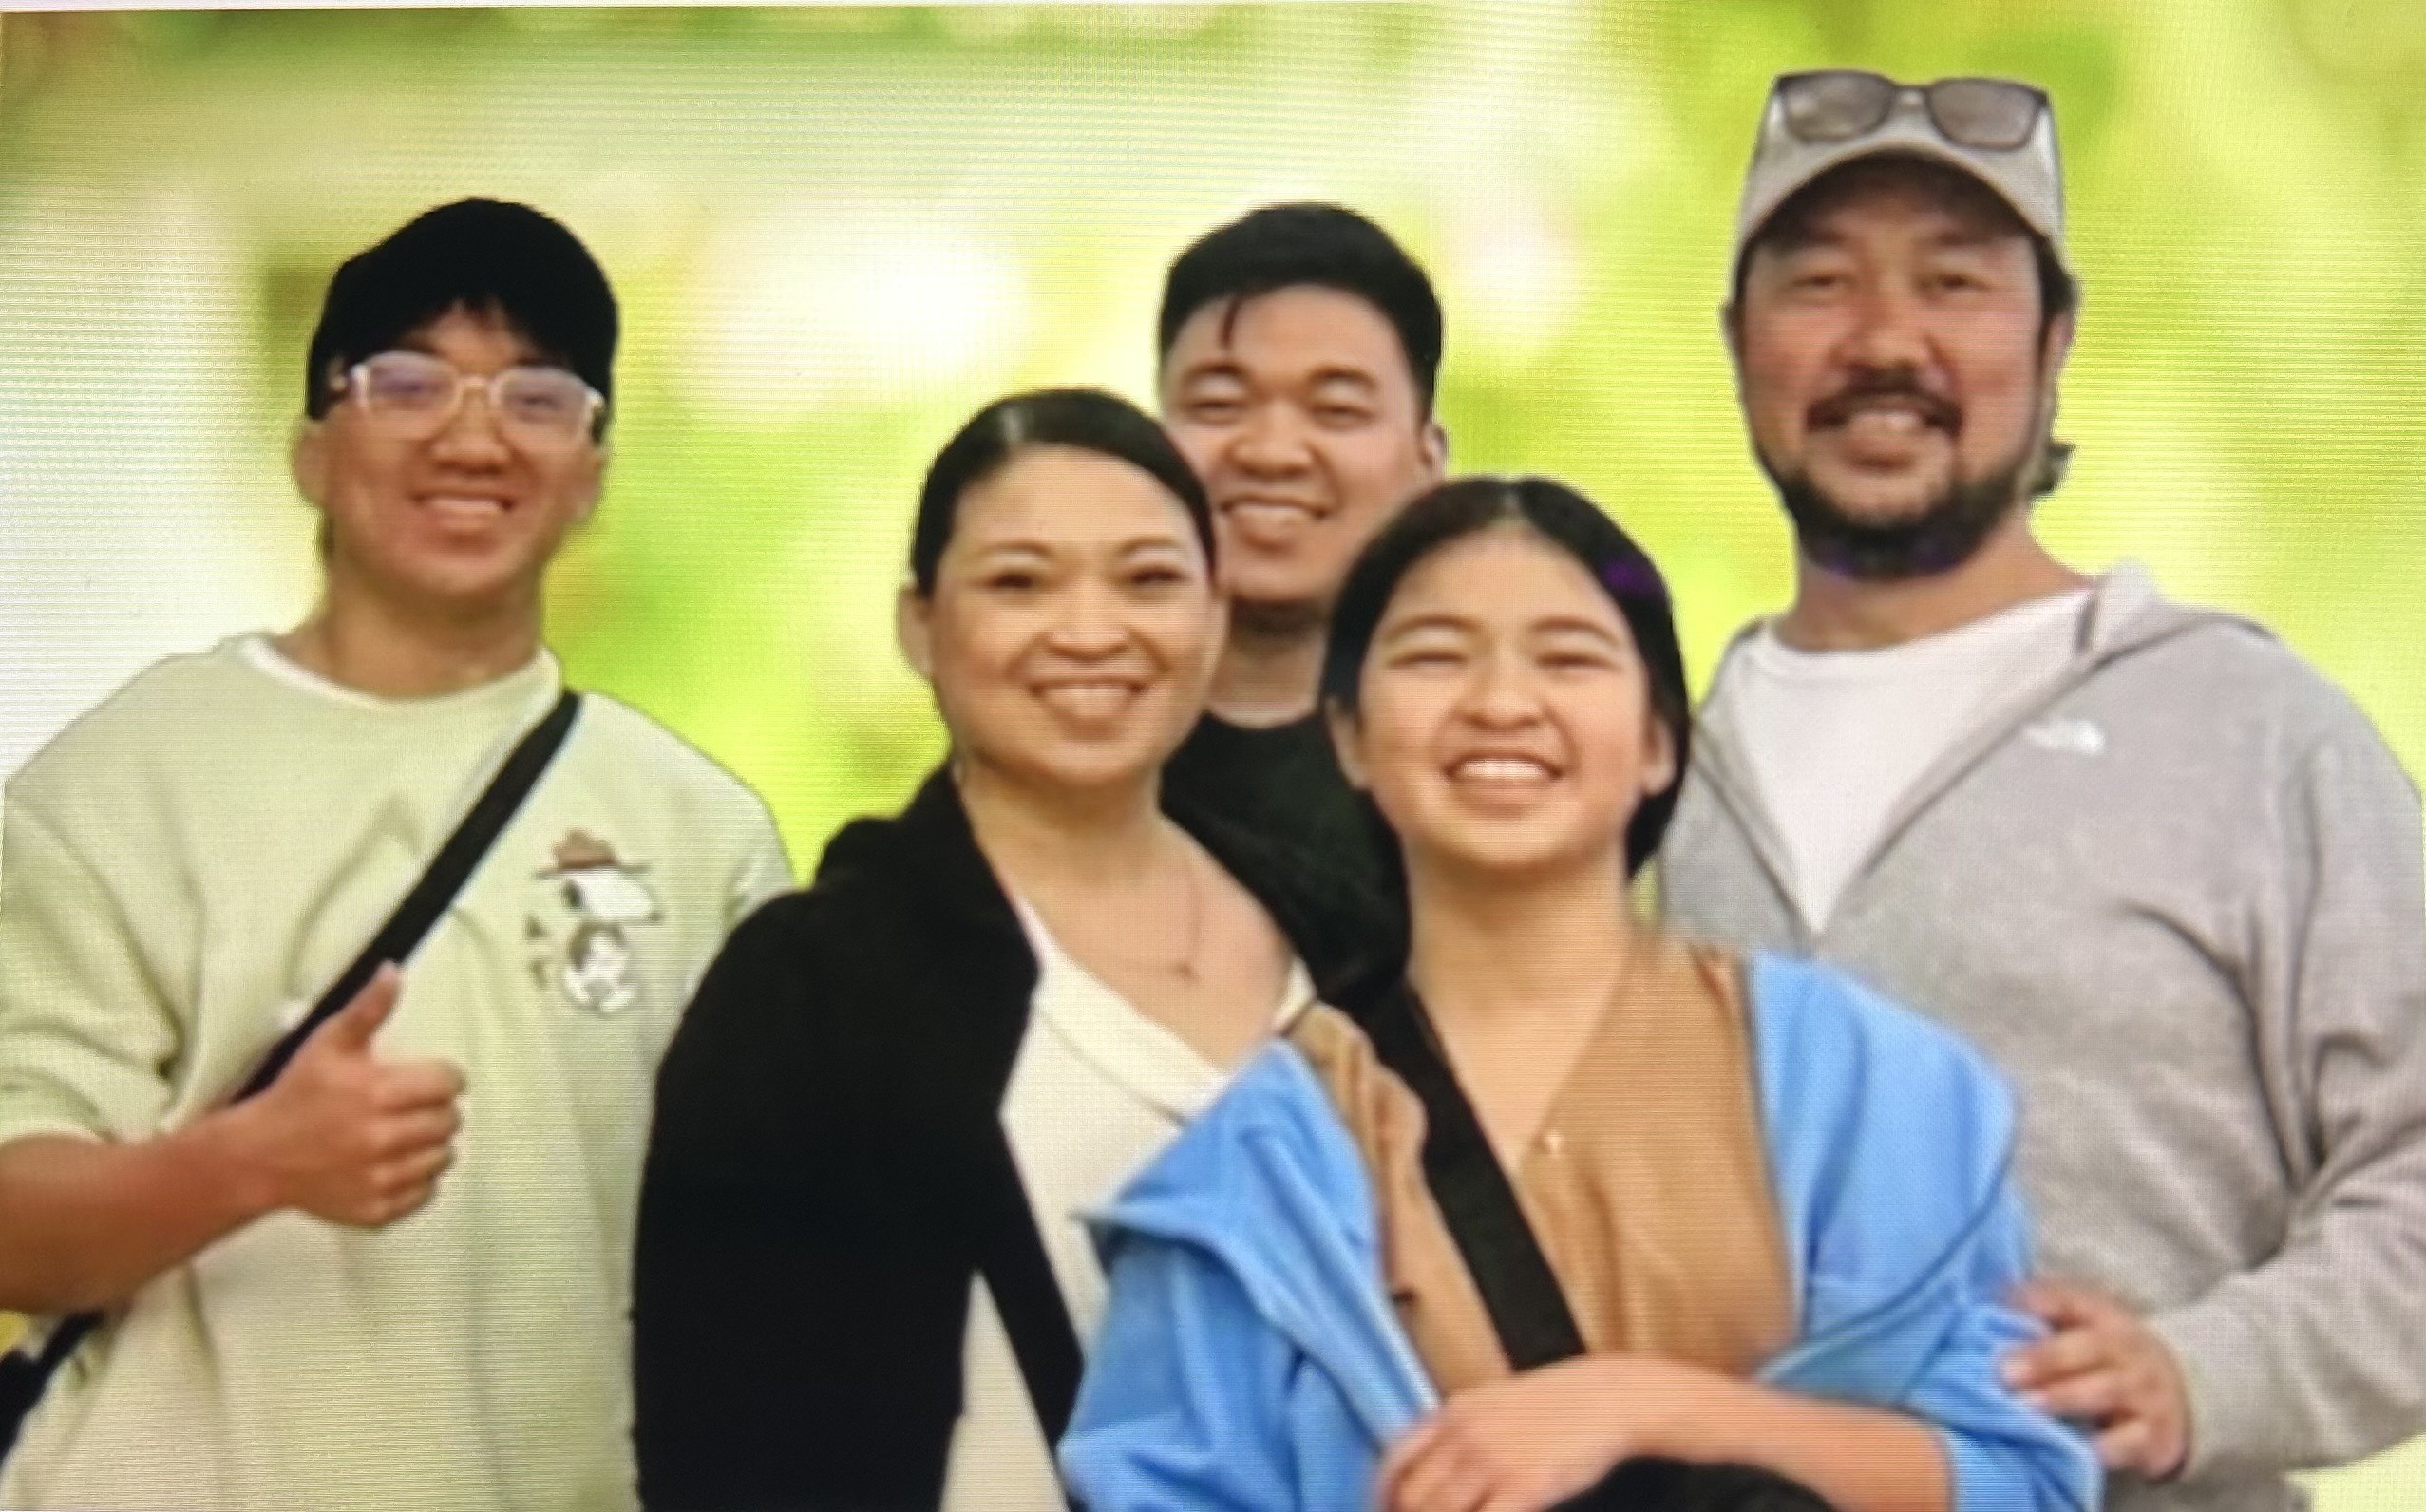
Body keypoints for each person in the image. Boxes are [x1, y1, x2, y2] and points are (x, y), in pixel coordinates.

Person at [1660, 70, 2426, 1512]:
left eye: (1954, 283)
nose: (1884, 341)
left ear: (2053, 342)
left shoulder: (2246, 734)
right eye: (1819, 284)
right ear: (1736, 345)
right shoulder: (1634, 777)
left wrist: (2208, 1371)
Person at [1063, 477, 2095, 1512]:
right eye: (1433, 655)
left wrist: (1647, 1405)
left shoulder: (1863, 1088)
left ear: (1656, 741)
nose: (1502, 702)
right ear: (1349, 736)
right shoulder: (1259, 1169)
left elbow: (2023, 1475)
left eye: (1567, 656)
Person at [0, 198, 791, 1510]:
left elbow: (763, 1277)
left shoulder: (699, 833)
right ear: (312, 448)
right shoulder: (122, 784)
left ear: (591, 467)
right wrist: (259, 1160)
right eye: (408, 382)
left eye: (536, 396)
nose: (471, 434)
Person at [631, 388, 1390, 1512]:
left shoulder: (1350, 937)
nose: (1090, 630)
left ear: (1216, 616)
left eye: (1147, 579)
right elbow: (719, 1441)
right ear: (919, 624)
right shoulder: (812, 987)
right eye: (1019, 582)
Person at [1155, 203, 1449, 924]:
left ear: (1426, 462)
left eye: (1337, 411)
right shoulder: (1067, 748)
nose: (1272, 452)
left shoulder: (1483, 755)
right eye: (1220, 404)